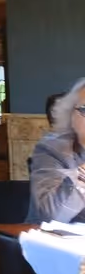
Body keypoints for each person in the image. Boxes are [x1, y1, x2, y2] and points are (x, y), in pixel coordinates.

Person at [27, 79, 85, 223]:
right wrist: (82, 177)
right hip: (53, 234)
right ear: (70, 115)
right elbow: (51, 216)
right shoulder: (52, 150)